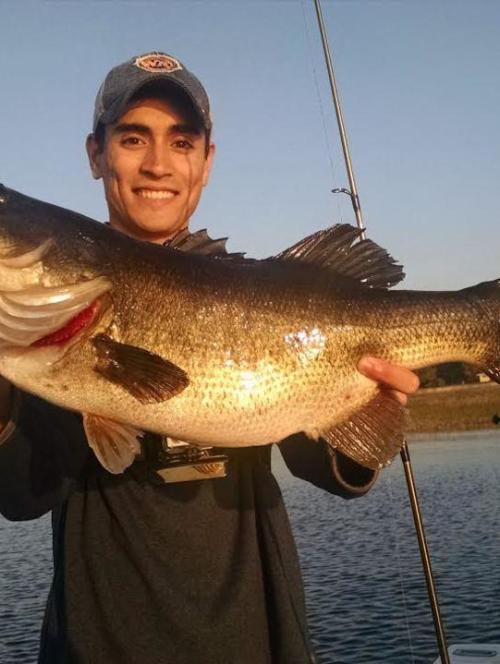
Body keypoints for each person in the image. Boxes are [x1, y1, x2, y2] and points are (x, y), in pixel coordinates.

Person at [0, 52, 419, 664]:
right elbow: (22, 494)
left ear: (206, 161)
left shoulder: (260, 292)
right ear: (96, 154)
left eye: (182, 141)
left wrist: (374, 401)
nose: (158, 163)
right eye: (132, 138)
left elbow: (329, 472)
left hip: (258, 636)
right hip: (99, 642)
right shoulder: (36, 332)